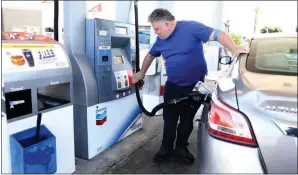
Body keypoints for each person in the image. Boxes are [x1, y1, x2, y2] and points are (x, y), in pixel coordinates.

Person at [132, 8, 249, 163]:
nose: (156, 33)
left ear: (167, 24)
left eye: (157, 29)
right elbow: (150, 56)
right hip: (173, 86)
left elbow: (218, 34)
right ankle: (166, 147)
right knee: (170, 120)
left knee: (187, 121)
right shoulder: (161, 40)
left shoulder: (191, 28)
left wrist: (234, 49)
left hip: (194, 87)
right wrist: (141, 73)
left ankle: (181, 147)